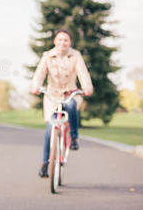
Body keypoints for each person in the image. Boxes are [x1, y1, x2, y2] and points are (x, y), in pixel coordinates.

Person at [30, 29, 93, 178]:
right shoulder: (47, 56)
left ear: (70, 42)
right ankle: (45, 163)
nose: (62, 42)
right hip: (53, 95)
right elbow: (40, 73)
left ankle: (74, 137)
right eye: (59, 39)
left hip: (70, 93)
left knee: (71, 106)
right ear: (55, 41)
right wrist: (35, 86)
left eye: (65, 40)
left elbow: (83, 73)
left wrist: (87, 87)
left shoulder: (75, 56)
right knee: (49, 129)